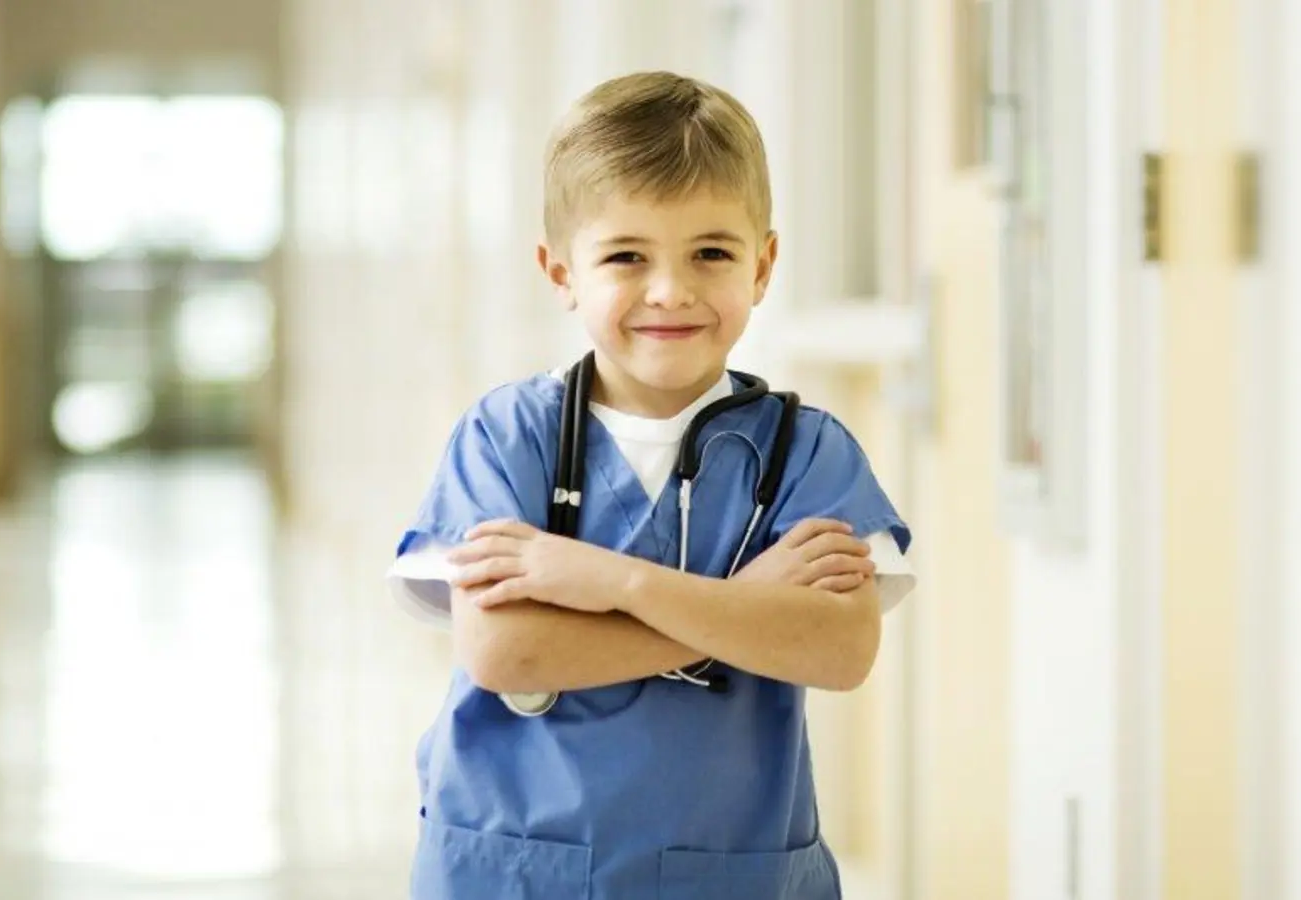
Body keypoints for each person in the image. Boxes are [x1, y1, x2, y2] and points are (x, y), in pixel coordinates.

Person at [385, 70, 916, 900]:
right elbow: (505, 650)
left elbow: (839, 650)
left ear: (763, 266)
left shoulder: (807, 453)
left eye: (711, 252)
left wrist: (608, 582)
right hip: (518, 869)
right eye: (626, 256)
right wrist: (742, 614)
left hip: (729, 870)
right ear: (560, 271)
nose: (670, 290)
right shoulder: (505, 438)